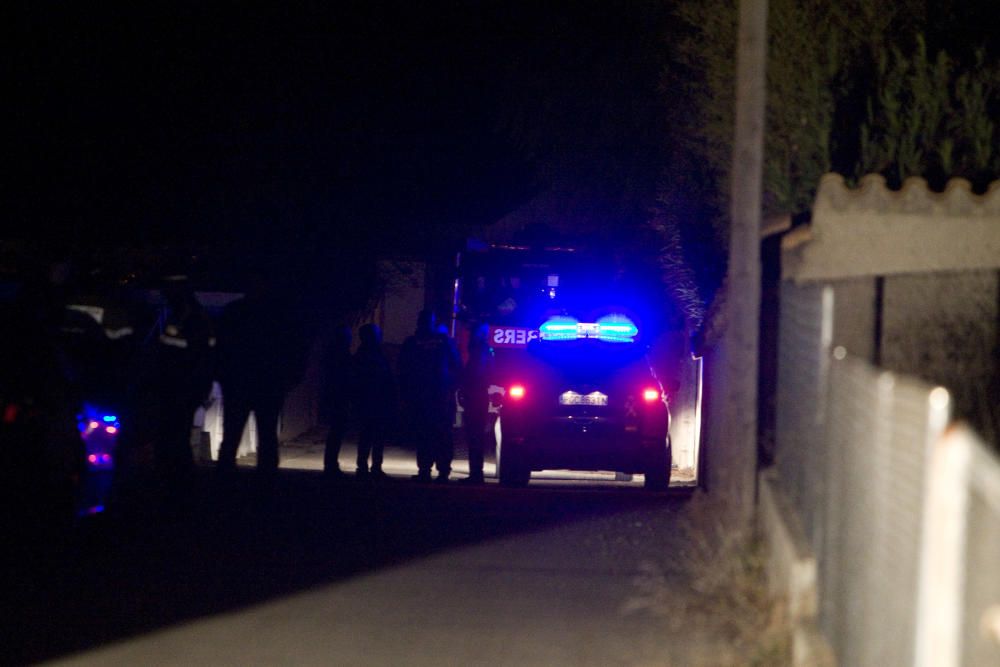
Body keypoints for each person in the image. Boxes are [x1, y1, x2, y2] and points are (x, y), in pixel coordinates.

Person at [215, 279, 305, 481]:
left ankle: (224, 481)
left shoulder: (235, 312)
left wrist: (222, 376)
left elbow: (219, 348)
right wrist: (290, 378)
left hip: (239, 383)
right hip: (267, 384)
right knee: (266, 436)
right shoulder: (279, 315)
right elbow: (294, 349)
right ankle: (265, 482)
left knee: (232, 435)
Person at [151, 275, 214, 486]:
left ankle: (178, 482)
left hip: (181, 387)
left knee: (175, 436)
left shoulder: (189, 317)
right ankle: (177, 480)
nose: (165, 296)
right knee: (175, 435)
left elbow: (188, 354)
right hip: (179, 386)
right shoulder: (184, 315)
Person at [397, 310, 461, 483]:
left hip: (426, 396)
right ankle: (440, 470)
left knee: (427, 434)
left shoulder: (413, 342)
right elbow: (456, 366)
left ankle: (428, 470)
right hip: (438, 396)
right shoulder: (444, 342)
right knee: (439, 435)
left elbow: (403, 369)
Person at [351, 323, 395, 479]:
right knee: (371, 435)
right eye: (377, 334)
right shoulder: (369, 356)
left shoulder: (367, 355)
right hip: (371, 401)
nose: (380, 337)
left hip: (374, 401)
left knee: (372, 435)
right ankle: (367, 466)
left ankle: (371, 466)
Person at [458, 322, 495, 485]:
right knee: (475, 436)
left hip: (476, 396)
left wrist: (465, 389)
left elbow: (476, 373)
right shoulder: (484, 350)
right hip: (478, 395)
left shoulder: (479, 351)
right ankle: (476, 473)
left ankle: (476, 474)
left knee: (474, 436)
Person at [321, 326, 352, 478]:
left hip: (336, 397)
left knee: (336, 432)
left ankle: (330, 463)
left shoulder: (334, 355)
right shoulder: (342, 355)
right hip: (339, 398)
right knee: (336, 432)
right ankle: (331, 464)